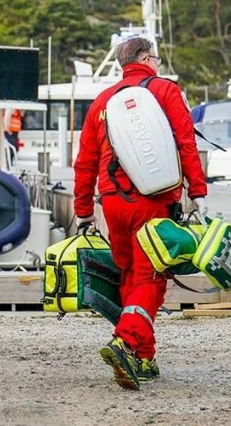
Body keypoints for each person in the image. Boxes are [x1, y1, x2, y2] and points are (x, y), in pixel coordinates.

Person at [72, 38, 208, 391]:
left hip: (112, 204)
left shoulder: (102, 102)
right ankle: (125, 342)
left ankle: (144, 358)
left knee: (130, 275)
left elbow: (85, 162)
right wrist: (198, 191)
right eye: (157, 58)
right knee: (151, 277)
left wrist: (84, 209)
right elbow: (185, 143)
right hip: (153, 201)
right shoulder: (165, 91)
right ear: (147, 58)